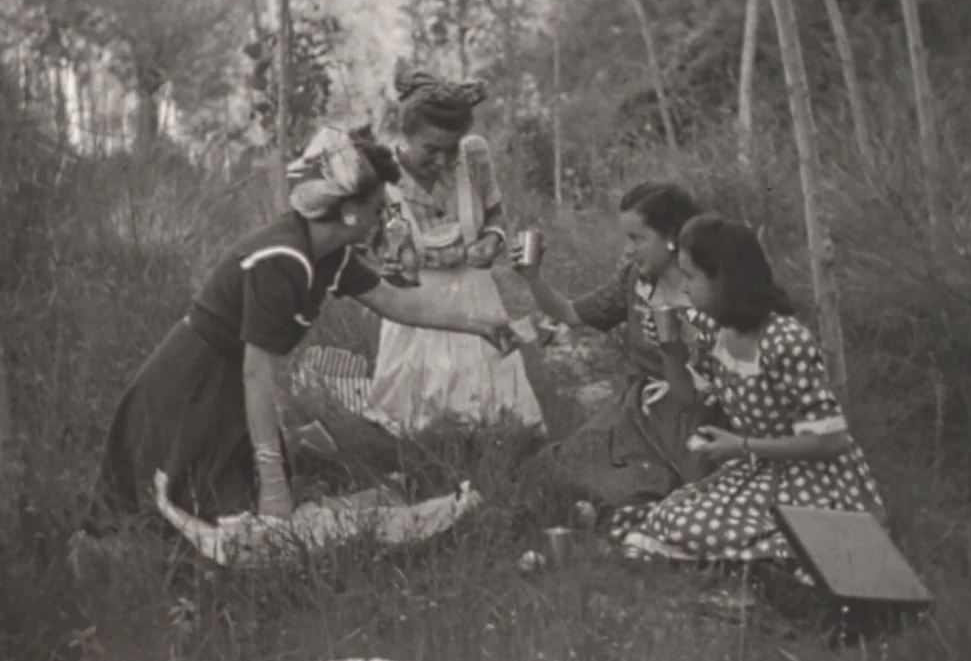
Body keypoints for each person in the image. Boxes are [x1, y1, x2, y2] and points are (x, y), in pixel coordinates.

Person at [80, 122, 514, 537]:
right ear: (348, 212)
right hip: (190, 387)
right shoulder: (282, 261)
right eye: (376, 211)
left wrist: (479, 324)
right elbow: (259, 373)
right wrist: (272, 480)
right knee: (182, 519)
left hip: (227, 387)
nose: (381, 222)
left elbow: (396, 302)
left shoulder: (330, 255)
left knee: (235, 517)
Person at [616, 213, 886, 567]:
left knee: (698, 528)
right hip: (762, 470)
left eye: (691, 277)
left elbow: (830, 440)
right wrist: (671, 352)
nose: (684, 288)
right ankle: (746, 554)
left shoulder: (784, 341)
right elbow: (687, 399)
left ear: (726, 279)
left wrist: (741, 446)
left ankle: (794, 554)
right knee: (668, 515)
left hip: (815, 479)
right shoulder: (715, 330)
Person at [510, 181, 716, 514]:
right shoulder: (637, 280)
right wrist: (532, 277)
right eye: (627, 239)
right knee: (556, 470)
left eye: (638, 239)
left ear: (673, 236)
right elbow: (570, 313)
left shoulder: (712, 290)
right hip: (639, 411)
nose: (629, 250)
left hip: (692, 418)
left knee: (641, 489)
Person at [367, 62, 544, 433]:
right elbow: (392, 260)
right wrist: (455, 255)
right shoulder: (384, 176)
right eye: (431, 149)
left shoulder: (474, 155)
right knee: (416, 418)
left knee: (494, 411)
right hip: (416, 303)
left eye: (451, 149)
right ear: (406, 132)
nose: (443, 160)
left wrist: (493, 239)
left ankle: (496, 459)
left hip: (475, 294)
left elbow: (495, 212)